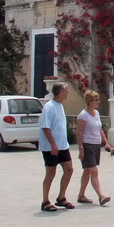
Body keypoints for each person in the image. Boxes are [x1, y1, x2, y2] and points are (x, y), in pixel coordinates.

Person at [39, 82, 74, 212]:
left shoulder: (60, 106)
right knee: (50, 173)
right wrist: (53, 144)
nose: (68, 92)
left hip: (63, 146)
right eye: (66, 90)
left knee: (69, 169)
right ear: (60, 92)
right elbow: (45, 128)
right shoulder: (49, 107)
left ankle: (61, 197)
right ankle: (45, 201)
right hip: (51, 147)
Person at [76, 90, 113, 206]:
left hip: (96, 145)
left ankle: (81, 195)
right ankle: (101, 196)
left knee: (87, 171)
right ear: (90, 101)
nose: (98, 102)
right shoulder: (83, 115)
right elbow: (79, 133)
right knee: (94, 172)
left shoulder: (96, 113)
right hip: (87, 145)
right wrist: (81, 149)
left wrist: (106, 142)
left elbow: (100, 129)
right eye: (96, 100)